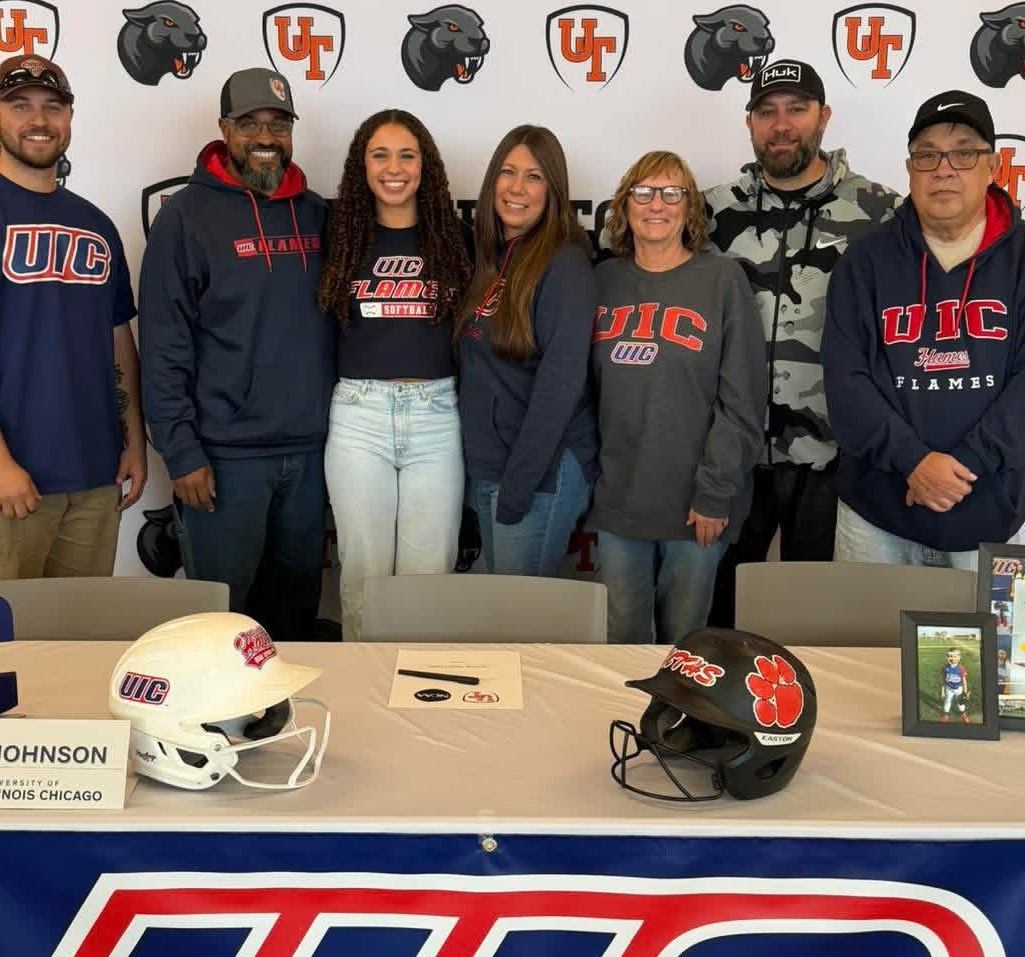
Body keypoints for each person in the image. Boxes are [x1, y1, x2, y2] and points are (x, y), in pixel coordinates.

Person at [703, 60, 1025, 623]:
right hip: (749, 454)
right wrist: (913, 462)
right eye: (767, 111)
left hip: (839, 463)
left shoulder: (878, 210)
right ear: (749, 121)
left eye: (797, 108)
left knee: (852, 635)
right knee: (738, 621)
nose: (944, 170)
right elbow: (644, 256)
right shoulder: (710, 212)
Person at [0, 54, 146, 590]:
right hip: (4, 484)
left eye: (52, 107)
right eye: (20, 106)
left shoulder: (95, 224)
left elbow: (117, 340)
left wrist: (133, 440)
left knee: (81, 648)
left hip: (91, 477)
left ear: (69, 117)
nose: (38, 120)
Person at [822, 90, 1025, 568]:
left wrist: (962, 469)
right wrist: (913, 461)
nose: (944, 168)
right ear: (910, 168)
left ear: (991, 166)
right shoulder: (865, 261)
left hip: (988, 511)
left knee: (980, 646)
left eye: (963, 152)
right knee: (857, 644)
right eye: (928, 154)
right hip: (877, 512)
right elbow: (845, 379)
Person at [139, 68, 334, 639]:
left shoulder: (319, 214)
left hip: (311, 454)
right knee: (223, 627)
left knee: (294, 618)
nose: (265, 136)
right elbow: (164, 341)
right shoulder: (186, 217)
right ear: (224, 129)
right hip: (224, 461)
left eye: (278, 122)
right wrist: (180, 451)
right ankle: (221, 731)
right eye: (249, 123)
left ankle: (290, 726)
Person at [589, 152, 763, 642]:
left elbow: (742, 402)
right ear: (624, 207)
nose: (656, 205)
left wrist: (715, 493)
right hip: (620, 499)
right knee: (621, 638)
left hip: (697, 507)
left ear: (690, 209)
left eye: (672, 193)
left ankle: (675, 724)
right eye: (643, 193)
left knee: (684, 644)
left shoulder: (723, 280)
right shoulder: (603, 281)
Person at [316, 110, 471, 639]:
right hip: (360, 416)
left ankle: (419, 708)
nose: (394, 167)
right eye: (380, 154)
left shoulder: (454, 238)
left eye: (407, 154)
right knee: (363, 583)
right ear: (362, 166)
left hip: (436, 416)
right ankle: (366, 704)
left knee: (428, 587)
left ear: (426, 166)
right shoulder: (337, 235)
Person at [457, 125, 597, 577]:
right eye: (507, 172)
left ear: (553, 190)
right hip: (493, 469)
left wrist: (519, 486)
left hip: (540, 474)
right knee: (498, 619)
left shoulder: (566, 263)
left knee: (519, 624)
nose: (517, 188)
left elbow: (560, 386)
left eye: (534, 177)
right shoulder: (491, 258)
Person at [940, 647, 972, 723]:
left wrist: (965, 691)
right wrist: (942, 691)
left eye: (955, 656)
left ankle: (963, 714)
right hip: (949, 688)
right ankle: (946, 715)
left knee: (960, 703)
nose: (952, 658)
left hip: (958, 689)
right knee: (947, 701)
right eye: (949, 656)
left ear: (959, 657)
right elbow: (943, 680)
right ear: (946, 657)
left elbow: (964, 680)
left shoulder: (961, 668)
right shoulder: (945, 668)